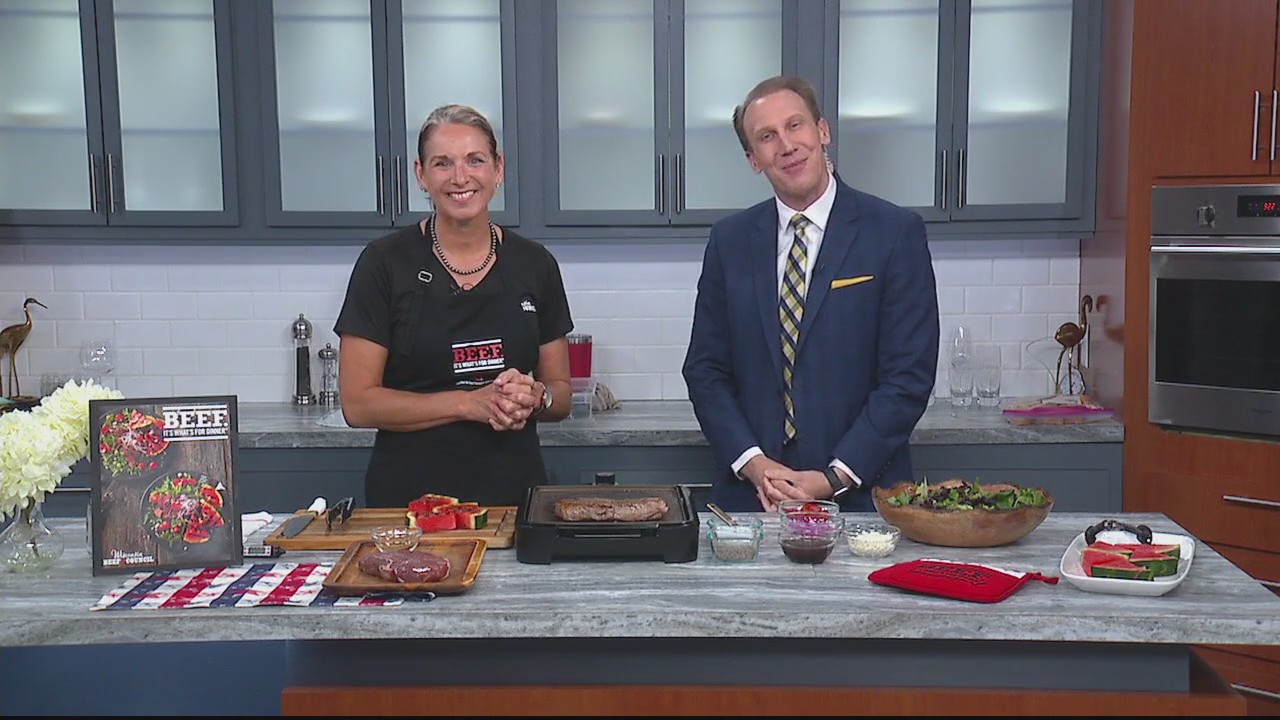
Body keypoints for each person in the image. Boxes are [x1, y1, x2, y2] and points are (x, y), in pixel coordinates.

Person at [682, 76, 939, 513]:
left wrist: (832, 477)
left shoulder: (894, 233)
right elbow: (705, 370)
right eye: (767, 137)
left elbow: (907, 378)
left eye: (795, 125)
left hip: (862, 497)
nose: (786, 145)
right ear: (753, 159)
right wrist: (754, 465)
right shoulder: (729, 242)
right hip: (752, 501)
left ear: (822, 132)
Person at [335, 104, 573, 508]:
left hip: (513, 502)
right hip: (407, 507)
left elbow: (561, 394)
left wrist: (536, 398)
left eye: (475, 161)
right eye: (442, 163)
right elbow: (357, 404)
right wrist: (469, 403)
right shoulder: (384, 264)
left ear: (497, 170)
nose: (460, 177)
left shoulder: (535, 264)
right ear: (421, 175)